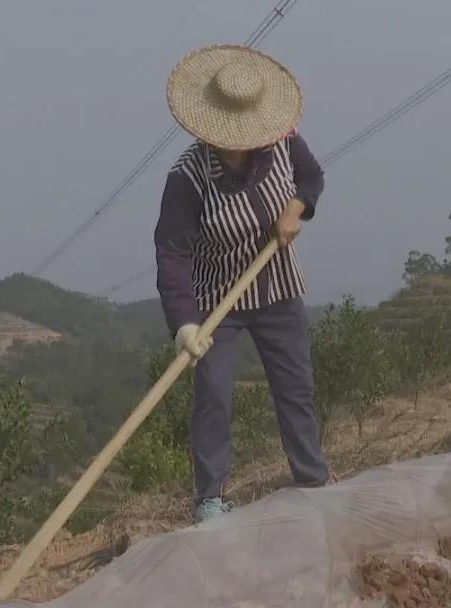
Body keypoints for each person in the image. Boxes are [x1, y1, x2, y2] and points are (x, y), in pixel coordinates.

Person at [154, 45, 329, 523]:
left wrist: (296, 209)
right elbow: (172, 254)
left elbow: (311, 178)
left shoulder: (284, 141)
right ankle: (210, 498)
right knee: (213, 393)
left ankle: (312, 478)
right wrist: (185, 325)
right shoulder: (187, 178)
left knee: (295, 386)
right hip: (216, 302)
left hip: (277, 287)